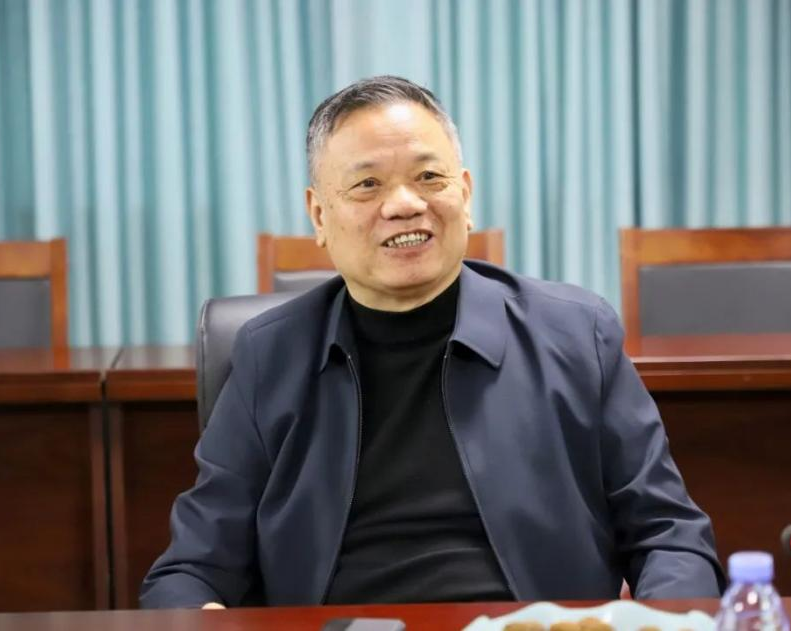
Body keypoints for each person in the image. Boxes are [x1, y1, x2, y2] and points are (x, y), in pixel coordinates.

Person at [140, 75, 724, 609]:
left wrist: (662, 621)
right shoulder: (270, 355)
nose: (404, 204)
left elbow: (671, 536)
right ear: (319, 215)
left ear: (464, 195)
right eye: (367, 184)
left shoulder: (575, 333)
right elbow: (190, 569)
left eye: (429, 177)